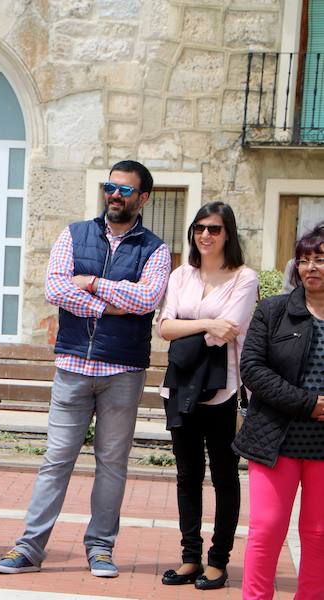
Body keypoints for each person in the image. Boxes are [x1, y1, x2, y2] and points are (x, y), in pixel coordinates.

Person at [0, 160, 171, 578]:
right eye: (110, 186)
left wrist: (89, 283)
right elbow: (55, 286)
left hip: (123, 370)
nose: (114, 195)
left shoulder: (156, 249)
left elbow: (146, 300)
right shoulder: (73, 234)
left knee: (112, 463)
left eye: (125, 190)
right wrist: (108, 306)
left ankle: (101, 548)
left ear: (143, 198)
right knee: (56, 460)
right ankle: (29, 548)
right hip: (73, 364)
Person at [156, 202, 258, 590]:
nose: (205, 235)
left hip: (224, 388)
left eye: (214, 229)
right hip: (180, 385)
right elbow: (164, 328)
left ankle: (217, 561)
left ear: (228, 233)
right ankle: (189, 557)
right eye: (199, 228)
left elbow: (227, 330)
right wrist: (205, 323)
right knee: (187, 474)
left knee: (224, 475)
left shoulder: (244, 277)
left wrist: (190, 326)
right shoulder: (181, 274)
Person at [234, 225, 324, 600]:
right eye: (304, 260)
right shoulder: (274, 310)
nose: (310, 267)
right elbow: (252, 369)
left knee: (319, 533)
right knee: (267, 528)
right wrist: (308, 403)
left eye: (320, 259)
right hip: (276, 437)